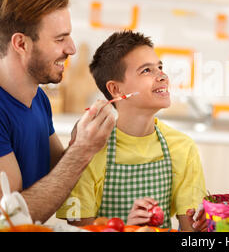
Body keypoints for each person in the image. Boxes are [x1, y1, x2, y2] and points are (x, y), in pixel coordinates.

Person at [56, 31, 207, 231]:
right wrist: (127, 228)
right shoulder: (89, 151)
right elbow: (79, 228)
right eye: (146, 71)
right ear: (117, 90)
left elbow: (190, 231)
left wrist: (201, 226)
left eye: (160, 67)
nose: (162, 76)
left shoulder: (183, 147)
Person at [0, 0, 115, 223]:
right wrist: (82, 150)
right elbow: (10, 220)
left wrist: (80, 142)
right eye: (60, 39)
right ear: (21, 44)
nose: (71, 48)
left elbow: (57, 176)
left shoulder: (38, 98)